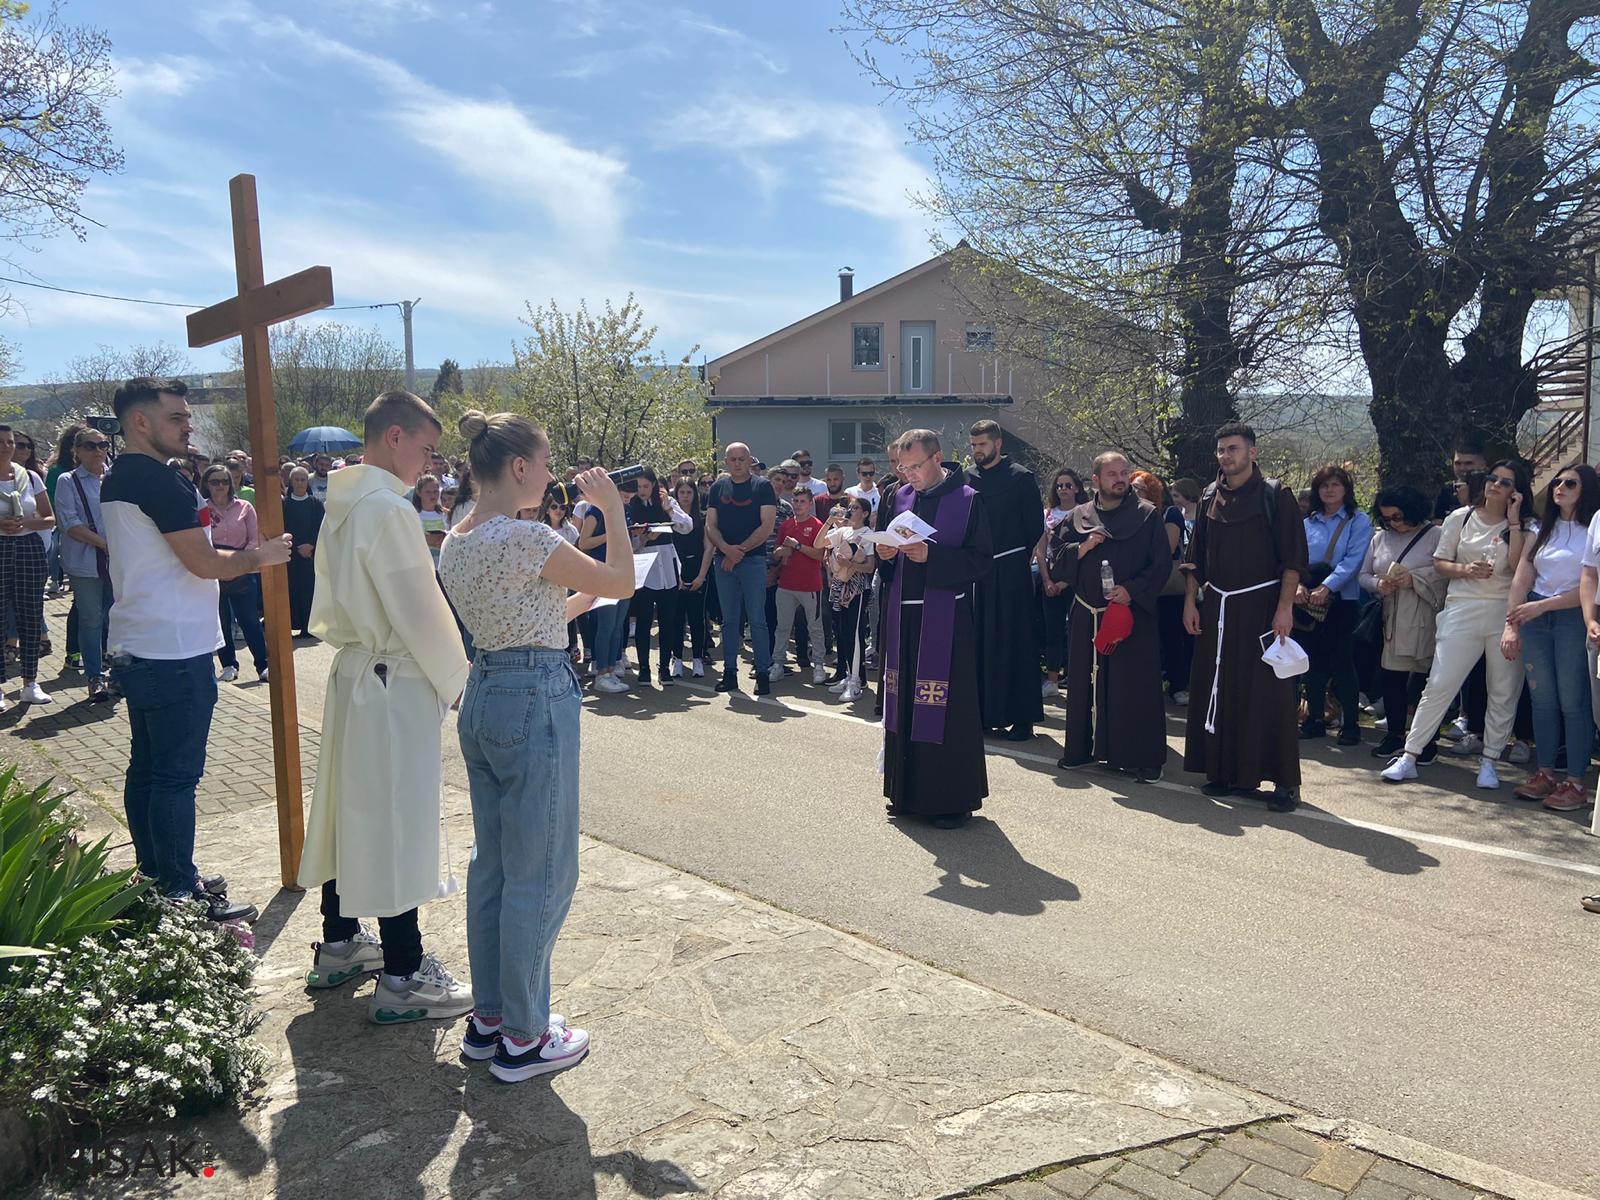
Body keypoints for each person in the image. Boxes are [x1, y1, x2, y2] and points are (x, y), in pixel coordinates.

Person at [441, 412, 635, 1082]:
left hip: (486, 687)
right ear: (518, 467)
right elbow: (623, 584)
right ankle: (525, 1037)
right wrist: (611, 509)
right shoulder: (525, 537)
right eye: (545, 461)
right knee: (543, 870)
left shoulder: (457, 537)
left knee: (492, 868)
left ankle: (491, 1017)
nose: (551, 473)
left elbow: (538, 610)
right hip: (534, 696)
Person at [297, 391, 474, 1024]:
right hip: (392, 679)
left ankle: (340, 942)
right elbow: (417, 604)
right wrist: (459, 680)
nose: (430, 463)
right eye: (426, 448)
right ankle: (404, 972)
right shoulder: (388, 510)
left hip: (355, 674)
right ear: (393, 436)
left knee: (353, 812)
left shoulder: (342, 502)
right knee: (395, 820)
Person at [102, 377, 282, 923]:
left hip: (142, 640)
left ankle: (157, 876)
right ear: (140, 422)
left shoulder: (122, 476)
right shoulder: (158, 482)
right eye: (177, 417)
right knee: (175, 775)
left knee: (149, 768)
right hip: (172, 648)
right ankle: (180, 893)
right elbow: (205, 564)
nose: (188, 426)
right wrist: (261, 555)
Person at [1182, 422, 1309, 811]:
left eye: (1233, 449)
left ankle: (1285, 783)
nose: (1226, 456)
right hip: (1218, 606)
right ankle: (1225, 773)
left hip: (1262, 609)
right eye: (1221, 450)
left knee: (1267, 695)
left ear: (1252, 452)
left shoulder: (1276, 495)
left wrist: (1284, 608)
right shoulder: (1207, 497)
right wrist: (1191, 602)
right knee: (1219, 686)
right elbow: (1195, 559)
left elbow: (1292, 560)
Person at [1382, 461, 1530, 789]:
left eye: (1506, 483)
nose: (1496, 485)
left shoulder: (1524, 526)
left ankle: (1490, 760)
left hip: (1504, 612)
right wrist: (1465, 570)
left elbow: (1520, 566)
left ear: (1516, 491)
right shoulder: (1459, 517)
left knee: (1503, 688)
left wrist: (1515, 522)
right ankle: (1410, 755)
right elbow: (1439, 563)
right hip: (1461, 607)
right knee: (1439, 683)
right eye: (1493, 478)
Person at [879, 430, 993, 828]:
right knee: (906, 703)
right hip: (903, 618)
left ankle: (948, 801)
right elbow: (887, 566)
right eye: (901, 466)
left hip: (947, 619)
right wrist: (885, 553)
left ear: (937, 459)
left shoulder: (968, 499)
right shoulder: (898, 497)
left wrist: (933, 556)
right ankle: (905, 792)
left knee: (944, 708)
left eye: (914, 466)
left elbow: (981, 562)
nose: (906, 474)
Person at [1049, 453, 1170, 780]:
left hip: (1129, 614)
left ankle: (1141, 758)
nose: (1120, 478)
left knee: (1132, 687)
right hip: (1087, 613)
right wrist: (1084, 547)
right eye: (1112, 473)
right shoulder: (1078, 517)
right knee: (1085, 684)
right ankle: (1081, 749)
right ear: (1096, 480)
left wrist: (1131, 590)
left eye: (1124, 473)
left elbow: (1160, 566)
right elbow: (1057, 560)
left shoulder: (1146, 516)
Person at [1502, 464, 1600, 810]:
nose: (1560, 486)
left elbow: (1590, 586)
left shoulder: (1593, 529)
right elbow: (1522, 579)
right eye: (1557, 481)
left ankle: (1575, 780)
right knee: (1542, 699)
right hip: (1534, 618)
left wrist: (1543, 608)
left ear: (1586, 489)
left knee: (1573, 701)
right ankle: (1544, 774)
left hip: (1572, 619)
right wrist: (1511, 623)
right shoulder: (1541, 529)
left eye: (1570, 483)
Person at [967, 420, 1045, 741]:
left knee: (1016, 642)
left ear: (998, 444)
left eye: (982, 445)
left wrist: (1012, 559)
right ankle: (986, 714)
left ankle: (1022, 718)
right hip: (978, 573)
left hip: (1011, 571)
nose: (977, 451)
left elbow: (1034, 528)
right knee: (981, 642)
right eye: (973, 446)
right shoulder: (966, 478)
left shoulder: (1021, 478)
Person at [1360, 487, 1444, 761]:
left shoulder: (1435, 535)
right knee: (1391, 677)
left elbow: (1444, 572)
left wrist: (1416, 579)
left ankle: (1426, 739)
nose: (1393, 524)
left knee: (1423, 679)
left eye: (1398, 517)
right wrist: (1377, 584)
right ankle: (1395, 734)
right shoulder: (1380, 539)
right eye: (1387, 519)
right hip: (1391, 614)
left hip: (1424, 613)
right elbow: (1364, 574)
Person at [1297, 464, 1373, 745]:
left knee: (1343, 663)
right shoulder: (1307, 522)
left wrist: (1327, 587)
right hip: (1306, 601)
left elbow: (1354, 560)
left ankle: (1350, 723)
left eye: (1335, 485)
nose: (1329, 490)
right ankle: (1314, 718)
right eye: (1324, 485)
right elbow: (1296, 559)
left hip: (1342, 601)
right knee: (1312, 663)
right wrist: (1299, 585)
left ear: (1346, 489)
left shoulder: (1358, 520)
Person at [705, 442, 777, 695]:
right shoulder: (717, 488)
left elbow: (766, 525)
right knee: (729, 621)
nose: (737, 463)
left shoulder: (763, 487)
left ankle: (763, 673)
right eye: (732, 459)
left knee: (757, 620)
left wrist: (739, 551)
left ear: (750, 461)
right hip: (723, 560)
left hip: (753, 561)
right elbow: (710, 525)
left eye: (741, 458)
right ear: (726, 462)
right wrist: (726, 549)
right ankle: (730, 674)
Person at [52, 428, 116, 701]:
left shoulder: (115, 478)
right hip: (86, 561)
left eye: (102, 445)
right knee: (90, 619)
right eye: (90, 446)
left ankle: (119, 671)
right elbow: (69, 523)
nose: (98, 451)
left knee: (118, 617)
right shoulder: (68, 480)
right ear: (76, 451)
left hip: (120, 561)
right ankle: (95, 676)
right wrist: (103, 544)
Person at [0, 424, 56, 707]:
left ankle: (30, 683)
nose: (8, 447)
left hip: (28, 546)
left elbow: (49, 518)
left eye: (11, 442)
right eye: (2, 442)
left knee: (30, 614)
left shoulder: (30, 477)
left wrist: (26, 523)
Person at [202, 465, 270, 684]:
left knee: (249, 620)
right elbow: (200, 540)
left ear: (231, 484)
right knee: (220, 621)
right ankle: (229, 664)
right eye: (215, 482)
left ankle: (263, 665)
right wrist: (219, 566)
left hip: (242, 566)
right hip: (214, 567)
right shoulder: (201, 509)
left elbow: (254, 537)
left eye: (224, 481)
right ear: (207, 484)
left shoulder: (245, 506)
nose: (220, 486)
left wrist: (238, 564)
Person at [626, 466, 694, 685]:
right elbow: (629, 544)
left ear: (654, 485)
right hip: (645, 567)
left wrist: (669, 510)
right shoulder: (631, 506)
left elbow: (687, 526)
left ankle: (664, 667)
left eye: (646, 486)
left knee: (668, 620)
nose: (642, 490)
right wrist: (643, 539)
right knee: (644, 621)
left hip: (668, 565)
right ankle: (644, 668)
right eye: (638, 487)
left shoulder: (667, 502)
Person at [1131, 469, 1193, 707]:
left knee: (1171, 636)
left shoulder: (1170, 513)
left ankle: (1178, 686)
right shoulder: (1129, 513)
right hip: (1140, 584)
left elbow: (1166, 548)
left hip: (1167, 586)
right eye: (1133, 488)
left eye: (1141, 489)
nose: (1135, 493)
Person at [577, 480, 631, 695]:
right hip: (603, 572)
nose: (627, 499)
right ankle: (602, 672)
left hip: (623, 571)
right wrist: (612, 534)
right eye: (625, 494)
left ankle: (611, 668)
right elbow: (584, 542)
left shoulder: (624, 510)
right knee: (606, 625)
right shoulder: (595, 511)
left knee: (618, 624)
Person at [770, 486, 827, 683]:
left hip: (811, 586)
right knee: (783, 627)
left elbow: (820, 555)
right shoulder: (786, 525)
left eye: (803, 501)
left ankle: (819, 665)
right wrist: (779, 552)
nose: (798, 505)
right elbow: (777, 550)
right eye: (795, 501)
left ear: (810, 504)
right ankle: (778, 663)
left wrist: (797, 546)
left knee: (815, 628)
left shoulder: (817, 525)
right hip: (786, 585)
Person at [823, 496, 875, 701]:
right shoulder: (843, 531)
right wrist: (830, 522)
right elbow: (819, 543)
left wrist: (850, 564)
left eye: (856, 508)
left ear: (865, 513)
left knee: (854, 633)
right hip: (839, 587)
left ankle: (855, 683)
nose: (851, 510)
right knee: (843, 632)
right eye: (850, 507)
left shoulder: (869, 535)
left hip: (858, 590)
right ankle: (850, 675)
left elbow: (870, 567)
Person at [1039, 468, 1084, 700]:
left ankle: (1077, 677)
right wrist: (1047, 579)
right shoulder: (1047, 514)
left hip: (1076, 581)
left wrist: (1066, 582)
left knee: (1077, 631)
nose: (1063, 489)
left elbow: (1086, 550)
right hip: (1050, 579)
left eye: (1068, 485)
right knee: (1052, 631)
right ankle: (1052, 679)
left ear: (1077, 488)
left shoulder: (1085, 513)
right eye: (1059, 486)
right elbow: (1040, 548)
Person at [668, 478, 710, 677]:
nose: (685, 496)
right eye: (681, 492)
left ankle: (697, 658)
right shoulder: (670, 518)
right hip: (675, 572)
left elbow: (709, 548)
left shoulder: (702, 518)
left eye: (689, 492)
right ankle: (676, 658)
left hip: (697, 570)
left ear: (695, 494)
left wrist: (701, 576)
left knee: (696, 618)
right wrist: (676, 577)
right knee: (676, 617)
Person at [282, 466, 324, 638]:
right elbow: (283, 527)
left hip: (311, 555)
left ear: (308, 482)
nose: (300, 483)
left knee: (311, 591)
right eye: (296, 480)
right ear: (291, 482)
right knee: (293, 590)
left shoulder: (315, 504)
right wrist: (297, 546)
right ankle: (296, 625)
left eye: (303, 479)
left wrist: (311, 545)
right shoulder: (284, 504)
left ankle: (310, 627)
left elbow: (321, 527)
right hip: (292, 556)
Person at [45, 424, 83, 599]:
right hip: (69, 532)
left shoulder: (102, 471)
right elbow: (53, 506)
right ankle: (55, 578)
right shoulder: (58, 473)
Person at [1434, 435, 1488, 522]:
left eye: (1468, 463)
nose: (1462, 468)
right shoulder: (1446, 492)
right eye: (1458, 463)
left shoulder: (1490, 490)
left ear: (1483, 464)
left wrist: (1466, 504)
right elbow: (1438, 524)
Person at [413, 473, 448, 568]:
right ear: (419, 492)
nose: (432, 495)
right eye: (428, 492)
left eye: (435, 492)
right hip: (423, 564)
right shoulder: (413, 515)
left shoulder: (446, 514)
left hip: (443, 564)